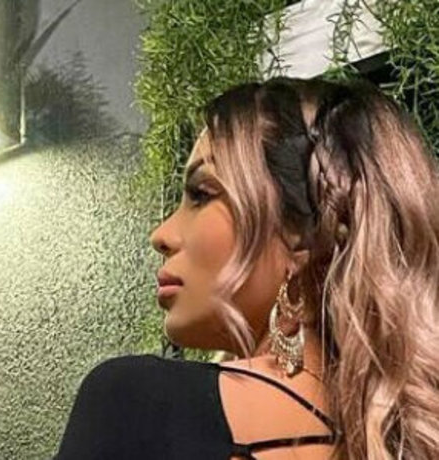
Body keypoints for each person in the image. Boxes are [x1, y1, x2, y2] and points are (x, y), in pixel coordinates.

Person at [54, 76, 439, 459]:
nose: (161, 235)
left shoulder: (139, 405)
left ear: (300, 236)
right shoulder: (405, 440)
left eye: (201, 195)